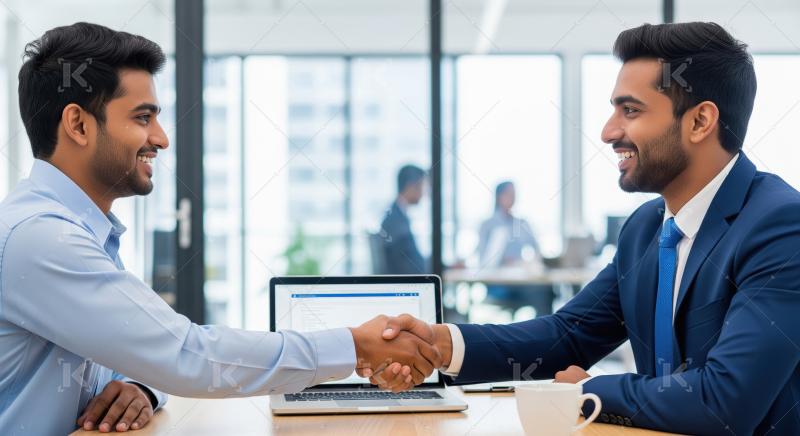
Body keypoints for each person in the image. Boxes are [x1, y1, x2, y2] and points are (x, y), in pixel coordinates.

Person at [0, 23, 438, 435]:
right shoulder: (41, 238)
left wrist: (143, 387)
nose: (161, 138)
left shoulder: (75, 229)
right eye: (142, 118)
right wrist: (356, 346)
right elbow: (186, 355)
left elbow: (139, 349)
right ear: (78, 125)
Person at [373, 22, 800, 435]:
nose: (608, 131)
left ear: (700, 121)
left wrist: (586, 391)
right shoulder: (646, 229)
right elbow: (567, 336)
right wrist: (440, 344)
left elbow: (724, 401)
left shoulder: (781, 227)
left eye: (630, 110)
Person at [477, 181, 554, 316]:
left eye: (514, 194)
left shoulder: (522, 223)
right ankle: (541, 333)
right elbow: (482, 258)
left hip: (520, 278)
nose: (512, 197)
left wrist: (530, 262)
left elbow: (536, 249)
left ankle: (542, 333)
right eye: (509, 194)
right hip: (498, 283)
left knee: (547, 290)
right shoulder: (487, 224)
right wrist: (502, 260)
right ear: (499, 196)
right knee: (541, 293)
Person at [378, 165, 429, 274]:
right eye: (422, 187)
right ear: (411, 186)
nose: (423, 193)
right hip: (403, 285)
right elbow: (412, 265)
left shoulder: (397, 215)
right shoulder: (395, 221)